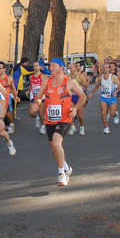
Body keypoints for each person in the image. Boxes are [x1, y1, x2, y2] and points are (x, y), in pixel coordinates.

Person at [30, 58, 86, 186]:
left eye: (54, 66)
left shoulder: (69, 82)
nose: (51, 68)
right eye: (50, 66)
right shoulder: (46, 82)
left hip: (64, 118)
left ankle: (61, 174)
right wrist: (36, 104)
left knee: (56, 143)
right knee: (54, 147)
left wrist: (75, 109)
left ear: (61, 67)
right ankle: (66, 167)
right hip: (50, 119)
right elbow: (38, 97)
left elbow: (82, 96)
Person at [88, 64, 120, 134]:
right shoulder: (100, 78)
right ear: (102, 69)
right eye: (104, 67)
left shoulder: (113, 77)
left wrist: (116, 91)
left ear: (109, 69)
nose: (105, 69)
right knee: (103, 112)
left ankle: (115, 115)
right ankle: (106, 127)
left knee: (112, 113)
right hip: (103, 97)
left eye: (107, 67)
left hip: (112, 97)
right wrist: (91, 93)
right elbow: (97, 87)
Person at [0, 61, 19, 134]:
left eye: (0, 68)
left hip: (6, 101)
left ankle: (11, 124)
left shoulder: (9, 79)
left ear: (4, 69)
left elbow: (13, 88)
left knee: (8, 115)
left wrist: (16, 96)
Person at [67, 61, 89, 135]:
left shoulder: (81, 75)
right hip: (71, 96)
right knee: (68, 112)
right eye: (69, 68)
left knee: (80, 115)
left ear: (75, 68)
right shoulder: (68, 76)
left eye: (71, 68)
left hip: (79, 96)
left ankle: (82, 127)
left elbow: (86, 85)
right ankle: (72, 127)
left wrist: (81, 82)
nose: (70, 70)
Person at [27, 61, 48, 133]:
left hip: (41, 96)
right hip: (33, 95)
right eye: (34, 66)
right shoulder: (31, 77)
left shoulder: (43, 76)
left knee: (41, 112)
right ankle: (37, 118)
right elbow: (31, 85)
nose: (35, 67)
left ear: (40, 67)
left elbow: (47, 86)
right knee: (31, 113)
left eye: (36, 66)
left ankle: (43, 126)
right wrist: (28, 90)